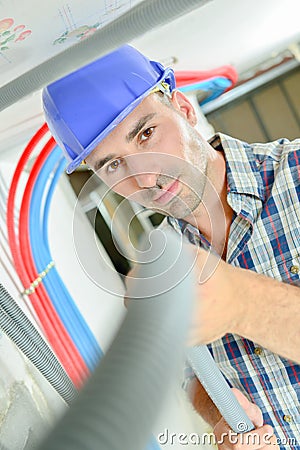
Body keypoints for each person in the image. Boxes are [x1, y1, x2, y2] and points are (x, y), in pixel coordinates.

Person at [42, 44, 300, 449]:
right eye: (112, 165)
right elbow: (195, 374)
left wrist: (243, 303)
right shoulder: (164, 263)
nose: (144, 179)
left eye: (146, 134)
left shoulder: (297, 174)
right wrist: (221, 416)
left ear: (183, 108)